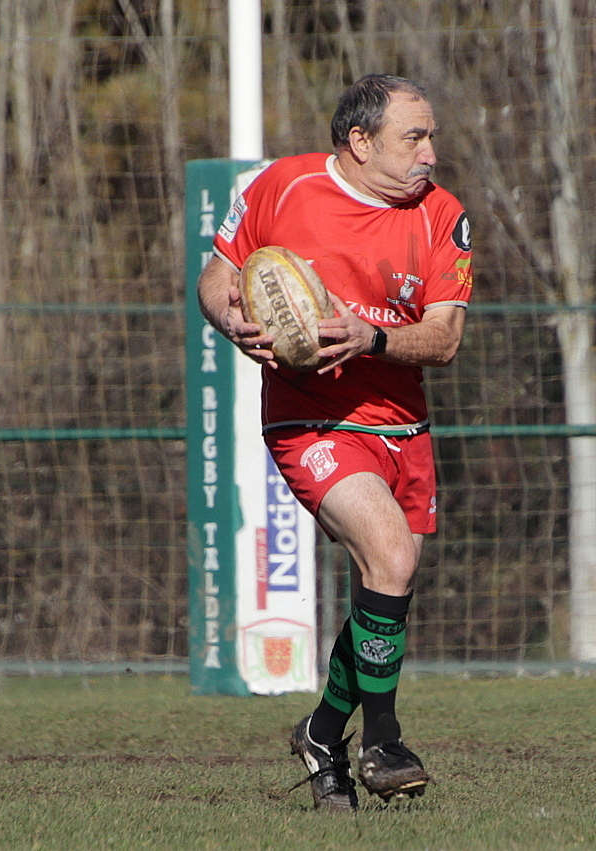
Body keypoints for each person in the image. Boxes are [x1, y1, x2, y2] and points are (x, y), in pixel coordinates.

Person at [197, 74, 473, 810]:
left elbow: (444, 339)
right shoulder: (282, 187)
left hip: (401, 424)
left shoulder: (443, 215)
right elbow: (216, 279)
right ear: (359, 140)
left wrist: (370, 334)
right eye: (414, 137)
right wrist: (236, 323)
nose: (430, 152)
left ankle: (323, 733)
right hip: (311, 416)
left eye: (431, 136)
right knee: (390, 552)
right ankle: (381, 737)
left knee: (389, 582)